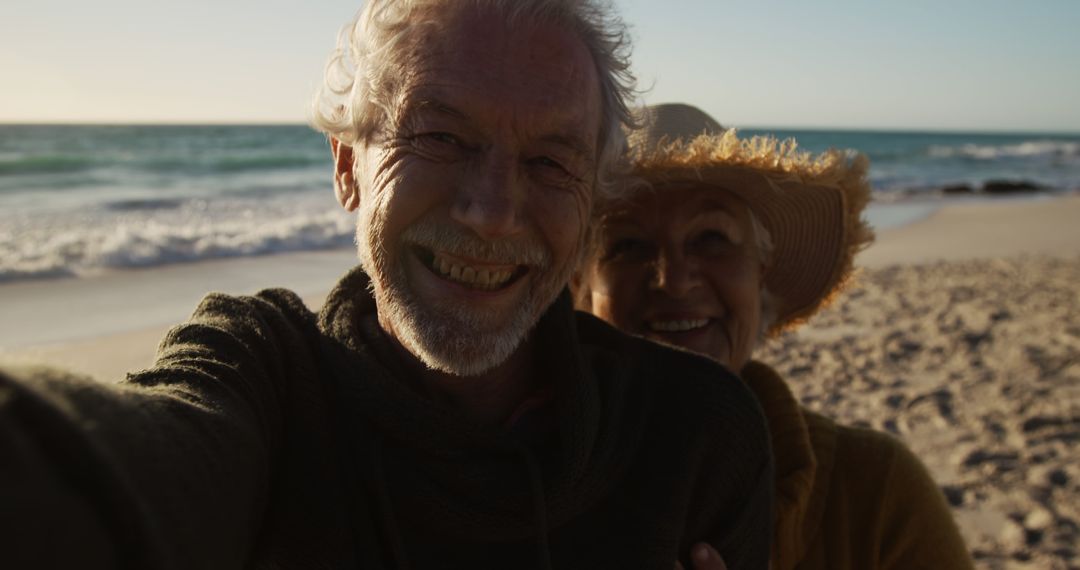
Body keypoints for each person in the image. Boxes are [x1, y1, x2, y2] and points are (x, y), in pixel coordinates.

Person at [0, 4, 774, 569]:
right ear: (348, 167)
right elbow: (124, 470)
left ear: (590, 203)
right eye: (440, 137)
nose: (494, 214)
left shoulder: (696, 433)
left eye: (550, 161)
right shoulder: (266, 378)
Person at [575, 103, 974, 569]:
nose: (675, 280)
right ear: (580, 288)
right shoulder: (523, 490)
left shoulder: (874, 492)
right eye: (628, 245)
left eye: (711, 238)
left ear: (761, 271)